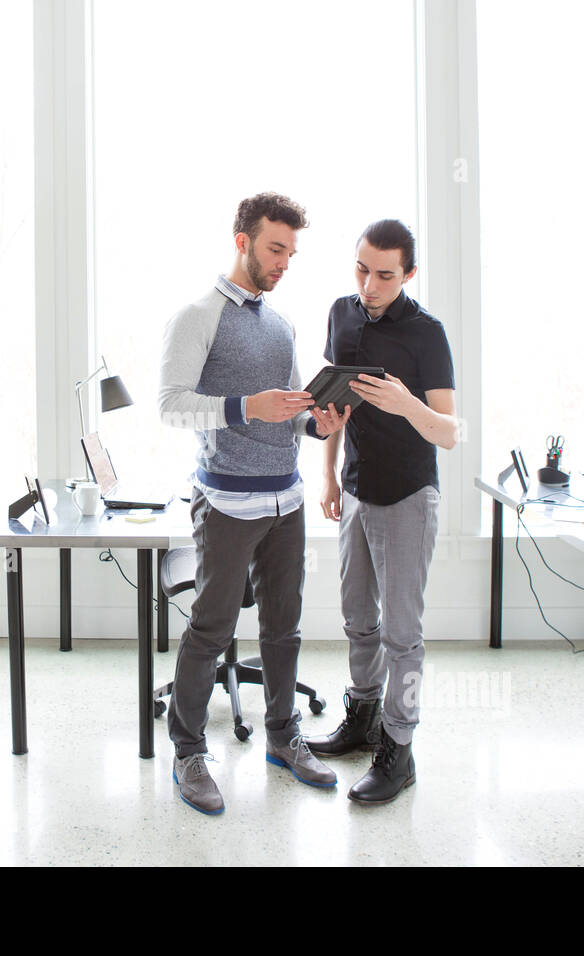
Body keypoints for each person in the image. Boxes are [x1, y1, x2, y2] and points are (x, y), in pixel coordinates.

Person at [158, 192, 350, 815]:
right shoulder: (197, 317)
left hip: (285, 503)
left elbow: (285, 417)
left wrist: (318, 423)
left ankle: (281, 737)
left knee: (283, 630)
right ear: (241, 241)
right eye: (275, 249)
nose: (284, 263)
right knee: (211, 629)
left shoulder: (281, 325)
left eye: (291, 253)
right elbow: (170, 405)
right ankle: (188, 750)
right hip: (226, 504)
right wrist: (246, 406)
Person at [304, 219, 457, 805]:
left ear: (409, 274)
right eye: (361, 269)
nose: (368, 285)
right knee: (357, 618)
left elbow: (449, 431)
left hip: (409, 497)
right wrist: (327, 473)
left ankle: (400, 747)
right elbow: (331, 402)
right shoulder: (342, 313)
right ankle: (363, 719)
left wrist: (405, 402)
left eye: (384, 275)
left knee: (402, 634)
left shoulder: (427, 334)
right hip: (355, 491)